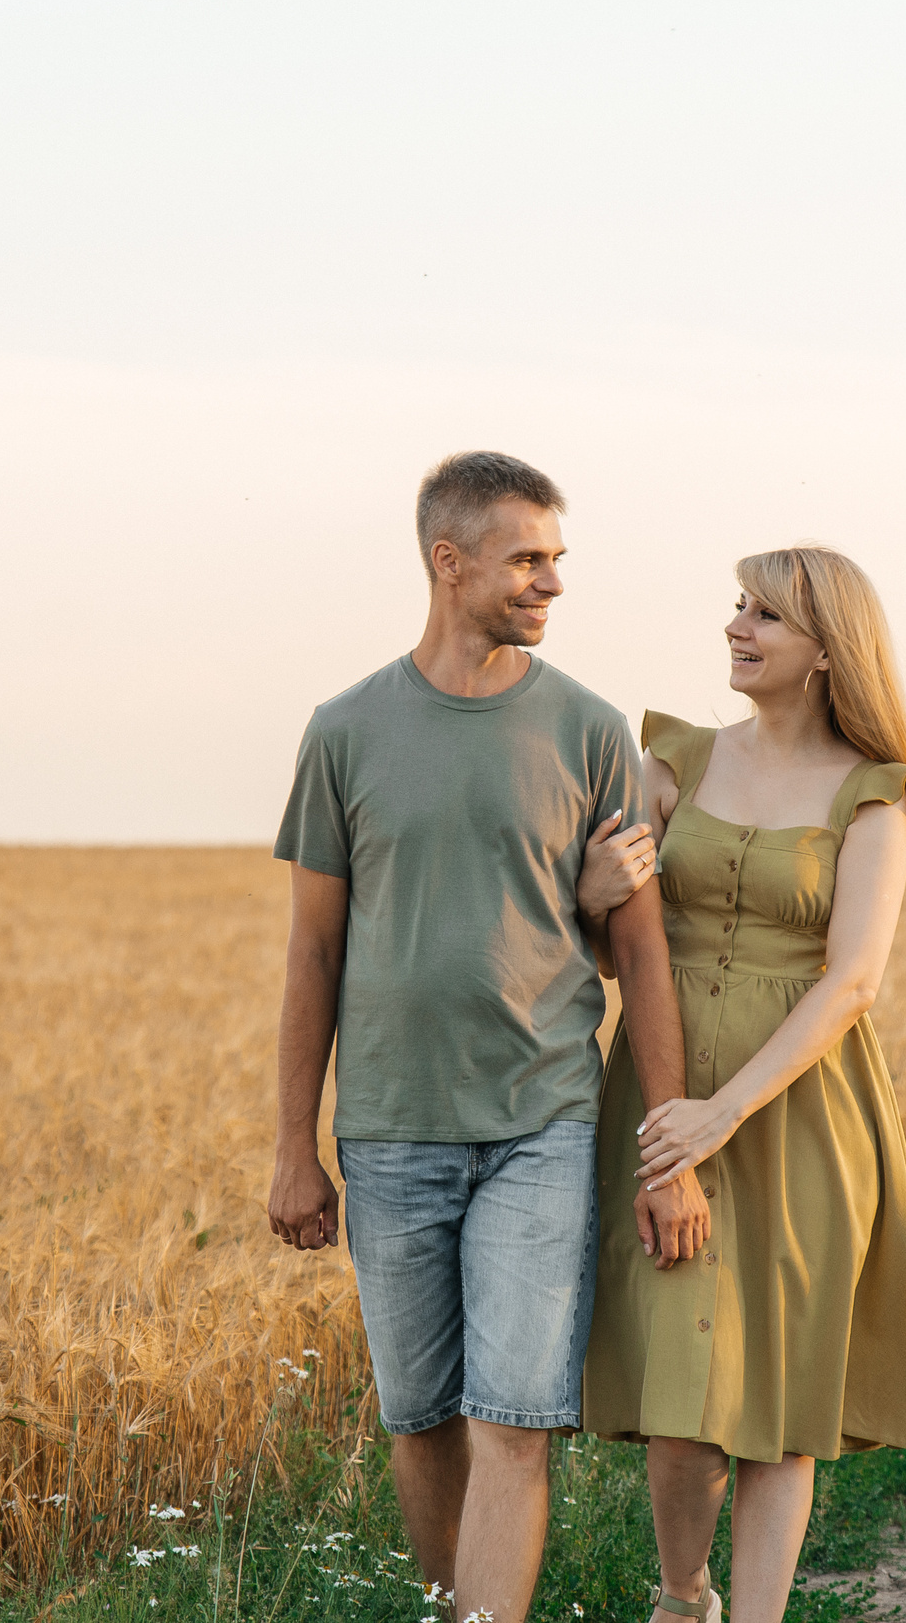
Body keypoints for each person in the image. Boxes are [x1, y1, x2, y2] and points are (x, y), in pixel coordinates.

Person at [266, 452, 710, 1623]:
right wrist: (291, 1146)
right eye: (526, 557)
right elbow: (312, 955)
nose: (551, 581)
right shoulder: (344, 730)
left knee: (513, 1419)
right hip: (390, 1127)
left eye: (557, 558)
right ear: (446, 561)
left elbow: (647, 952)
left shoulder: (588, 727)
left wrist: (672, 1148)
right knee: (421, 1422)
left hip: (541, 1123)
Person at [575, 544, 906, 1623]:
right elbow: (610, 945)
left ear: (828, 651)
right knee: (683, 1397)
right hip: (656, 1094)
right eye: (736, 607)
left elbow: (853, 980)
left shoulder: (874, 794)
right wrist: (596, 893)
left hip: (799, 1112)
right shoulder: (671, 761)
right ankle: (683, 1595)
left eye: (766, 617)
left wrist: (720, 1114)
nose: (737, 629)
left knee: (780, 1391)